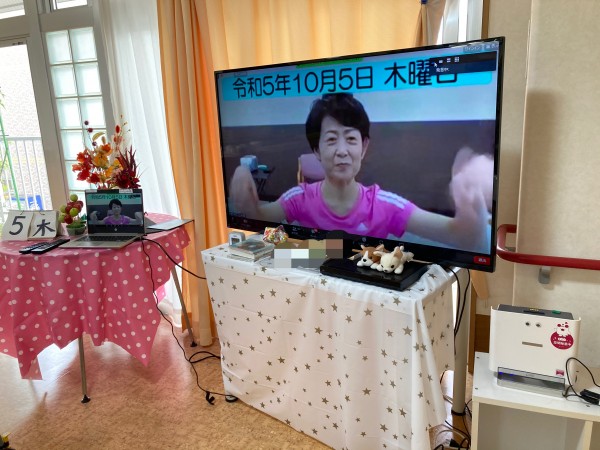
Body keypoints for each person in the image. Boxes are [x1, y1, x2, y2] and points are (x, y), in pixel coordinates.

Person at [229, 93, 490, 252]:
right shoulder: (299, 197)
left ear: (364, 148)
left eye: (351, 139)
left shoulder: (385, 205)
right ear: (317, 150)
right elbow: (260, 221)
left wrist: (470, 204)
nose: (342, 151)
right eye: (331, 140)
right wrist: (243, 181)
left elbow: (459, 234)